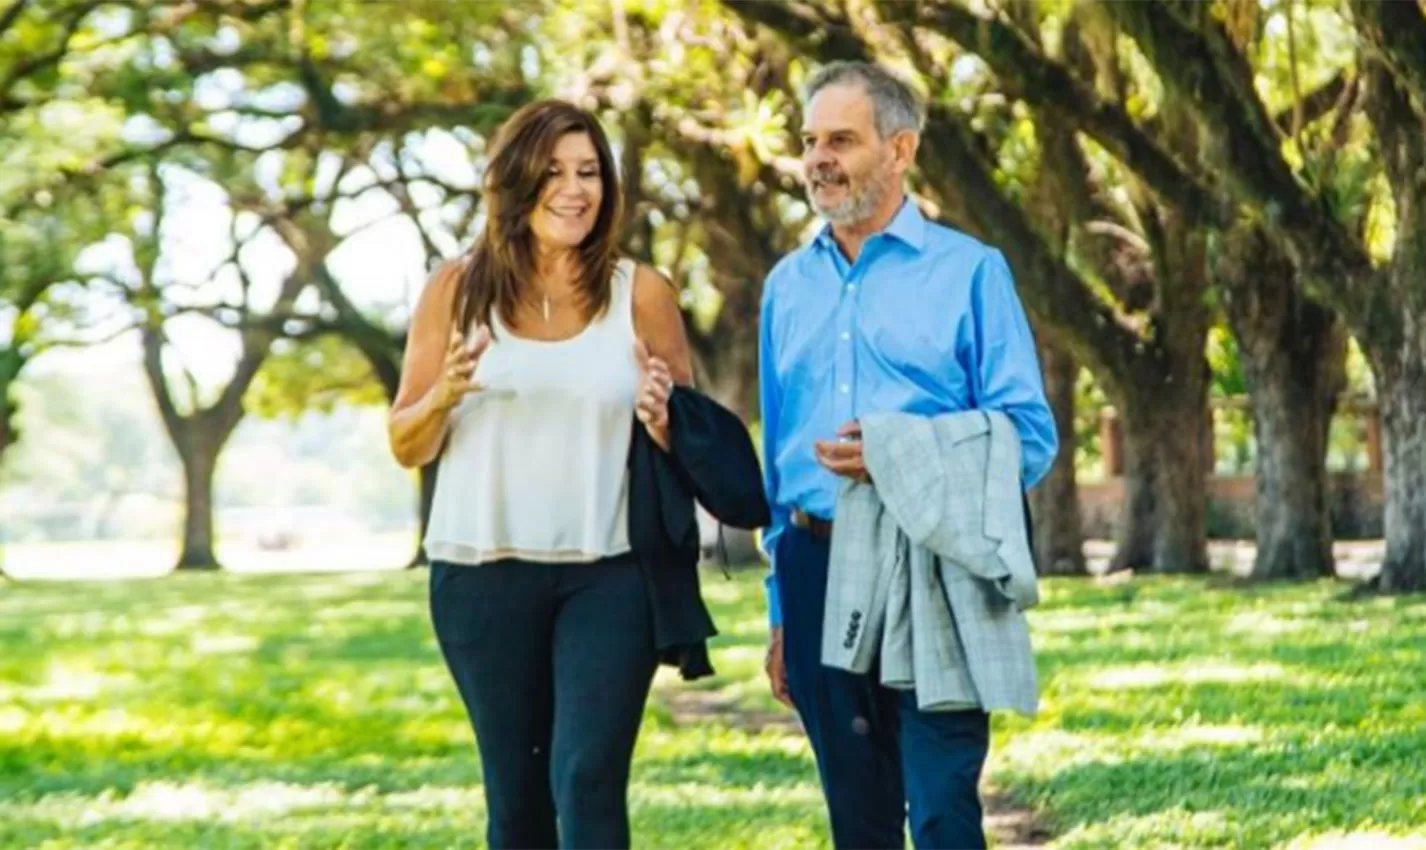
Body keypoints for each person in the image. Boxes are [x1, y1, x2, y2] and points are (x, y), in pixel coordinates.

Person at [758, 61, 1059, 849]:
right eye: (810, 140)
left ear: (900, 149)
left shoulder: (971, 272)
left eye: (842, 140)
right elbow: (777, 463)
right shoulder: (785, 287)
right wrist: (780, 609)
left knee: (941, 803)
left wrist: (899, 453)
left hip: (936, 567)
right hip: (816, 564)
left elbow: (1029, 435)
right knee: (857, 818)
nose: (819, 158)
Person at [387, 98, 690, 850]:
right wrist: (446, 395)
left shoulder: (641, 292)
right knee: (518, 803)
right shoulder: (455, 290)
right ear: (515, 182)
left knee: (587, 781)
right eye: (554, 171)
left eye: (589, 171)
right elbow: (405, 442)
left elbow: (692, 436)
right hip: (480, 577)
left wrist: (663, 419)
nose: (575, 188)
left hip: (610, 574)